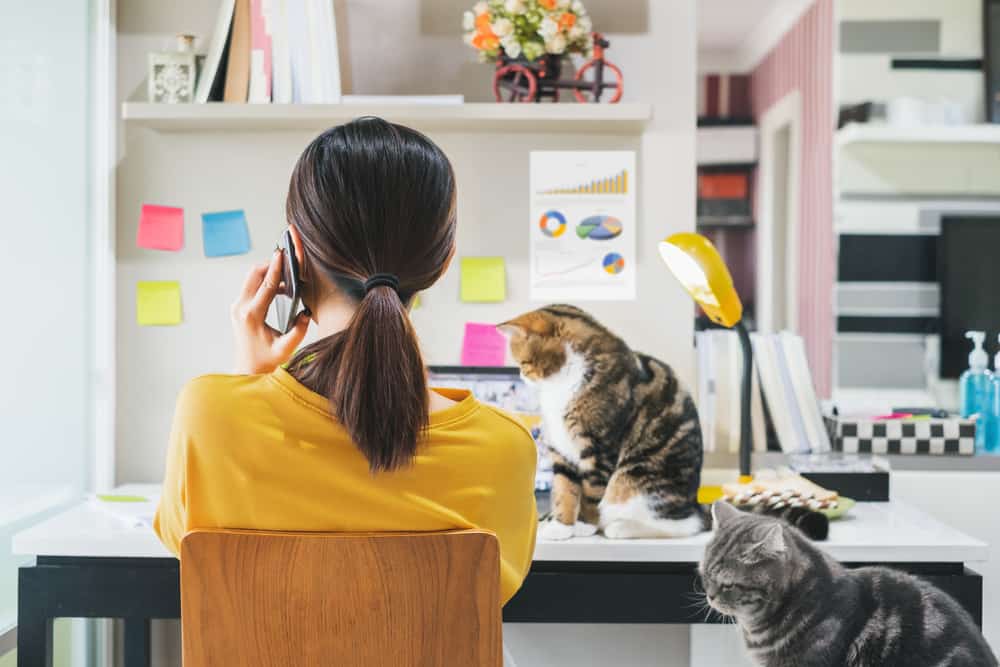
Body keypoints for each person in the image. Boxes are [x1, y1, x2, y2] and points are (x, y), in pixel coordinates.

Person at [154, 117, 538, 605]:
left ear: (292, 256)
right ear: (443, 261)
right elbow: (496, 593)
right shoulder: (504, 447)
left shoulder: (208, 413)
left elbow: (186, 545)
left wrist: (250, 383)